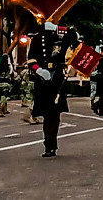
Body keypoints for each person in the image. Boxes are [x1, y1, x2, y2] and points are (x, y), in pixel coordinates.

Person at [26, 22, 79, 157]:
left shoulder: (62, 35)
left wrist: (59, 29)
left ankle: (51, 145)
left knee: (54, 114)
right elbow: (31, 59)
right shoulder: (37, 38)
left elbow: (75, 39)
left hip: (57, 78)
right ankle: (48, 143)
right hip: (42, 78)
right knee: (45, 113)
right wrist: (38, 70)